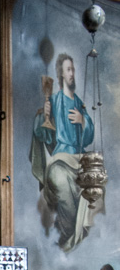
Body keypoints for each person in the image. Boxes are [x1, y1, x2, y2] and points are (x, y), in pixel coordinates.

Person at [30, 53, 99, 253]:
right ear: (60, 74)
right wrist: (44, 116)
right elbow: (43, 134)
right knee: (59, 182)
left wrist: (83, 121)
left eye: (73, 69)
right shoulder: (53, 100)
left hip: (79, 159)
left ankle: (71, 239)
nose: (72, 74)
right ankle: (67, 235)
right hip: (61, 159)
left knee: (94, 191)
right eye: (68, 70)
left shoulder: (79, 104)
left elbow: (89, 136)